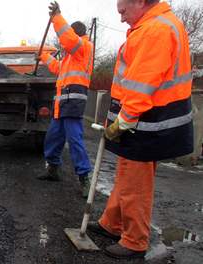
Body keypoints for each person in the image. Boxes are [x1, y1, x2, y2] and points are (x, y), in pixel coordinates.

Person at [87, 0, 193, 259]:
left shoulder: (154, 31)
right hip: (145, 117)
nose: (122, 18)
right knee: (125, 174)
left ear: (141, 2)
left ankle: (135, 240)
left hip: (148, 120)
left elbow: (141, 85)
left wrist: (123, 121)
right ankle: (111, 224)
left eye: (123, 11)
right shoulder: (154, 25)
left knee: (135, 182)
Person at [36, 1, 94, 198]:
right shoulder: (71, 58)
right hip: (62, 104)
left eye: (66, 36)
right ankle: (52, 169)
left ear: (76, 34)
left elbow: (68, 40)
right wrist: (42, 55)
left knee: (75, 139)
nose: (62, 43)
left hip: (74, 102)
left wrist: (57, 18)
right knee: (53, 137)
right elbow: (56, 67)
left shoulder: (84, 47)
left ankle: (84, 177)